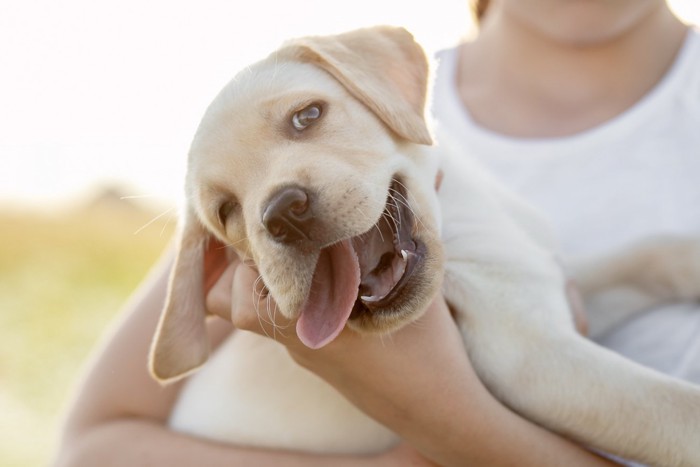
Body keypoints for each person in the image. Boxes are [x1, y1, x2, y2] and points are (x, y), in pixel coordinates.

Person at [52, 0, 699, 465]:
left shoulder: (380, 108)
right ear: (217, 263)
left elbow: (535, 336)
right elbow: (93, 444)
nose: (280, 201)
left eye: (307, 117)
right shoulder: (247, 148)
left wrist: (449, 425)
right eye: (230, 212)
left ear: (391, 87)